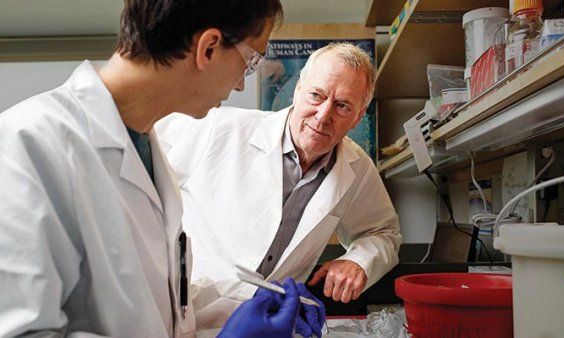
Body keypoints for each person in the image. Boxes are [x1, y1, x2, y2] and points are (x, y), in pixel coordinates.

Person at [0, 0, 325, 337]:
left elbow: (162, 302)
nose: (241, 85)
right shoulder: (25, 144)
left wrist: (251, 300)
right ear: (208, 48)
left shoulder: (148, 149)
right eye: (250, 61)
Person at [156, 43, 403, 329]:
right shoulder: (216, 128)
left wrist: (359, 260)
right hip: (184, 315)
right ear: (298, 90)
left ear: (358, 116)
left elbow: (383, 233)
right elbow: (137, 178)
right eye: (316, 95)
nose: (323, 116)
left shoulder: (357, 168)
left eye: (342, 105)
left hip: (271, 324)